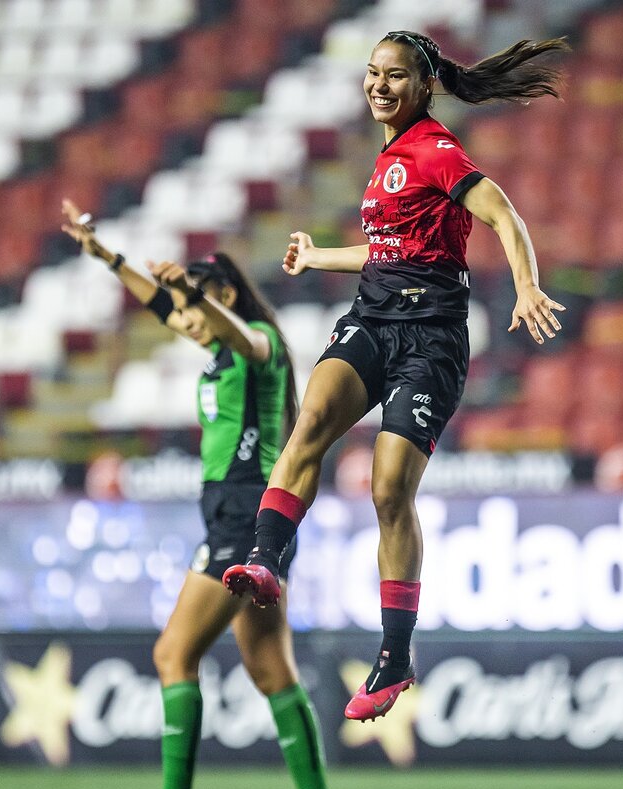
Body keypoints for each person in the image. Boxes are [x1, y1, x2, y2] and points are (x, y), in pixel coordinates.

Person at [220, 30, 568, 721]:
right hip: (374, 323)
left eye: (395, 76)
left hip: (430, 341)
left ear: (425, 84)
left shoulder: (436, 150)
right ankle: (264, 559)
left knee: (387, 490)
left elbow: (501, 212)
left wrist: (525, 286)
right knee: (311, 418)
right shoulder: (386, 158)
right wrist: (319, 257)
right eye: (372, 73)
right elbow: (391, 248)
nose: (379, 85)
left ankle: (395, 653)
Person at [61, 200, 348, 789]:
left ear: (220, 294)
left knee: (173, 653)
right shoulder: (217, 347)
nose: (185, 322)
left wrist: (196, 296)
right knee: (271, 667)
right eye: (183, 312)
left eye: (194, 307)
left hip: (246, 516)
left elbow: (235, 330)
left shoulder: (259, 344)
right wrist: (105, 255)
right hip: (246, 512)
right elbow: (161, 305)